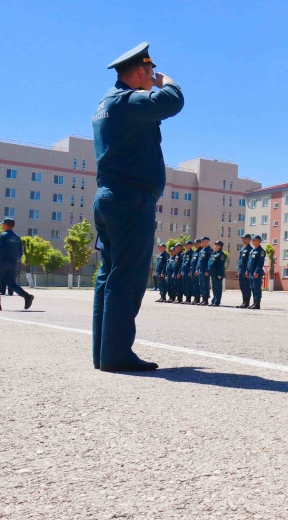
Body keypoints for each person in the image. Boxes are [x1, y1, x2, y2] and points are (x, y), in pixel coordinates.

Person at [92, 42, 184, 372]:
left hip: (109, 198)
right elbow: (172, 102)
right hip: (130, 200)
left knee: (108, 275)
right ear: (143, 70)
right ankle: (117, 355)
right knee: (126, 277)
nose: (153, 77)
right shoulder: (126, 101)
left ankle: (104, 353)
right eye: (151, 72)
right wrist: (168, 82)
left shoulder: (106, 103)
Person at [0, 218, 34, 311]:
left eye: (3, 224)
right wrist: (14, 260)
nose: (2, 226)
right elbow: (20, 252)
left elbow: (1, 250)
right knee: (11, 283)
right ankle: (27, 296)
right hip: (13, 263)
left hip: (2, 262)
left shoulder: (3, 236)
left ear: (6, 225)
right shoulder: (17, 237)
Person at [247, 235, 266, 309]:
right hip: (251, 272)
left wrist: (257, 271)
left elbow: (260, 263)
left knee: (257, 288)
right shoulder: (252, 251)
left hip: (256, 273)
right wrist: (247, 271)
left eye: (254, 240)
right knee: (253, 288)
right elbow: (249, 262)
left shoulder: (261, 251)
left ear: (258, 241)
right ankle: (254, 302)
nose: (252, 241)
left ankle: (257, 304)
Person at [209, 240, 227, 306]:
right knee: (214, 287)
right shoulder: (214, 254)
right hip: (213, 273)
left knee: (218, 288)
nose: (215, 246)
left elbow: (221, 265)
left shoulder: (221, 254)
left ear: (220, 246)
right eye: (215, 245)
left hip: (217, 274)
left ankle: (217, 301)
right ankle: (214, 299)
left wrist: (220, 274)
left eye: (217, 245)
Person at [237, 234, 253, 308]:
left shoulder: (250, 249)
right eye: (242, 238)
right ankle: (244, 301)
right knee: (242, 286)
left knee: (246, 286)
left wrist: (247, 271)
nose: (243, 240)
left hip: (246, 271)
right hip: (241, 270)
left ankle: (247, 302)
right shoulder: (243, 248)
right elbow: (240, 261)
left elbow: (248, 262)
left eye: (244, 238)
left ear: (249, 239)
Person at [197, 236, 212, 306]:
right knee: (201, 285)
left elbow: (209, 261)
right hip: (200, 270)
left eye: (202, 241)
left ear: (207, 241)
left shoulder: (209, 250)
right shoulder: (202, 250)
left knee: (205, 285)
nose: (201, 242)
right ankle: (203, 298)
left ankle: (206, 300)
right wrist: (197, 269)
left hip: (205, 271)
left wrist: (207, 270)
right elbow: (199, 261)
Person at [189, 237, 203, 305]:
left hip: (196, 271)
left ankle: (198, 298)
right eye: (195, 244)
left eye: (197, 243)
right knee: (194, 285)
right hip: (192, 270)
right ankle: (195, 298)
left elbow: (199, 262)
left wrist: (197, 270)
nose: (195, 245)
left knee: (197, 285)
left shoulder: (201, 251)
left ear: (200, 243)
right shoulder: (195, 251)